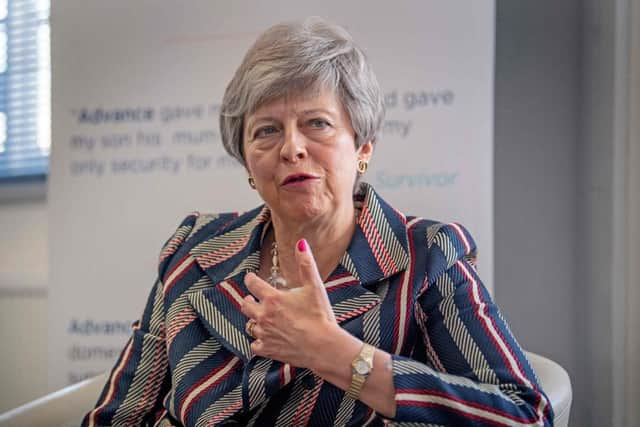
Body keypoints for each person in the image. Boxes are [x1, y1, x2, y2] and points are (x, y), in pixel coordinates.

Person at [83, 18, 553, 427]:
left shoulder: (425, 256)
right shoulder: (193, 249)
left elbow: (523, 415)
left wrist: (337, 354)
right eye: (266, 130)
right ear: (247, 161)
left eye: (317, 124)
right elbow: (119, 414)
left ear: (363, 146)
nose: (291, 148)